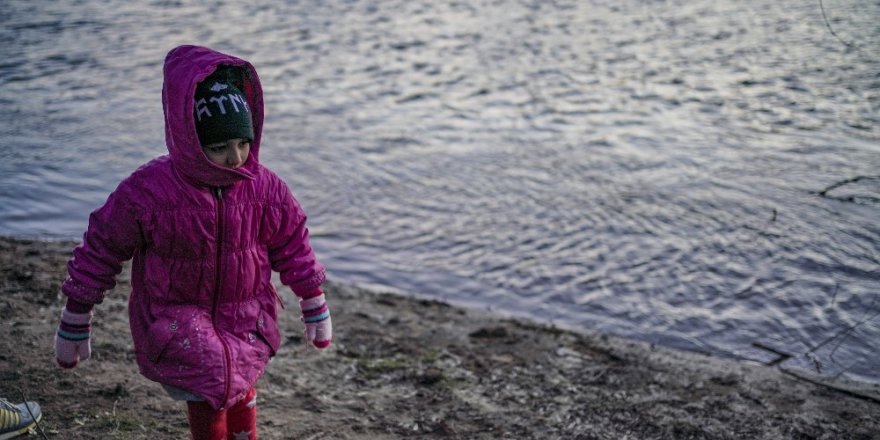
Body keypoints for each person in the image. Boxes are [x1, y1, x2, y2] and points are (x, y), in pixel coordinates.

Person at [53, 45, 332, 440]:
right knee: (207, 387)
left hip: (246, 311)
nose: (235, 158)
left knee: (241, 375)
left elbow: (292, 241)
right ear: (189, 138)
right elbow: (103, 247)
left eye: (242, 143)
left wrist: (313, 299)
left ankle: (244, 434)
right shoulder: (149, 192)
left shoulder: (264, 188)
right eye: (218, 147)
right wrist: (76, 316)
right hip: (177, 316)